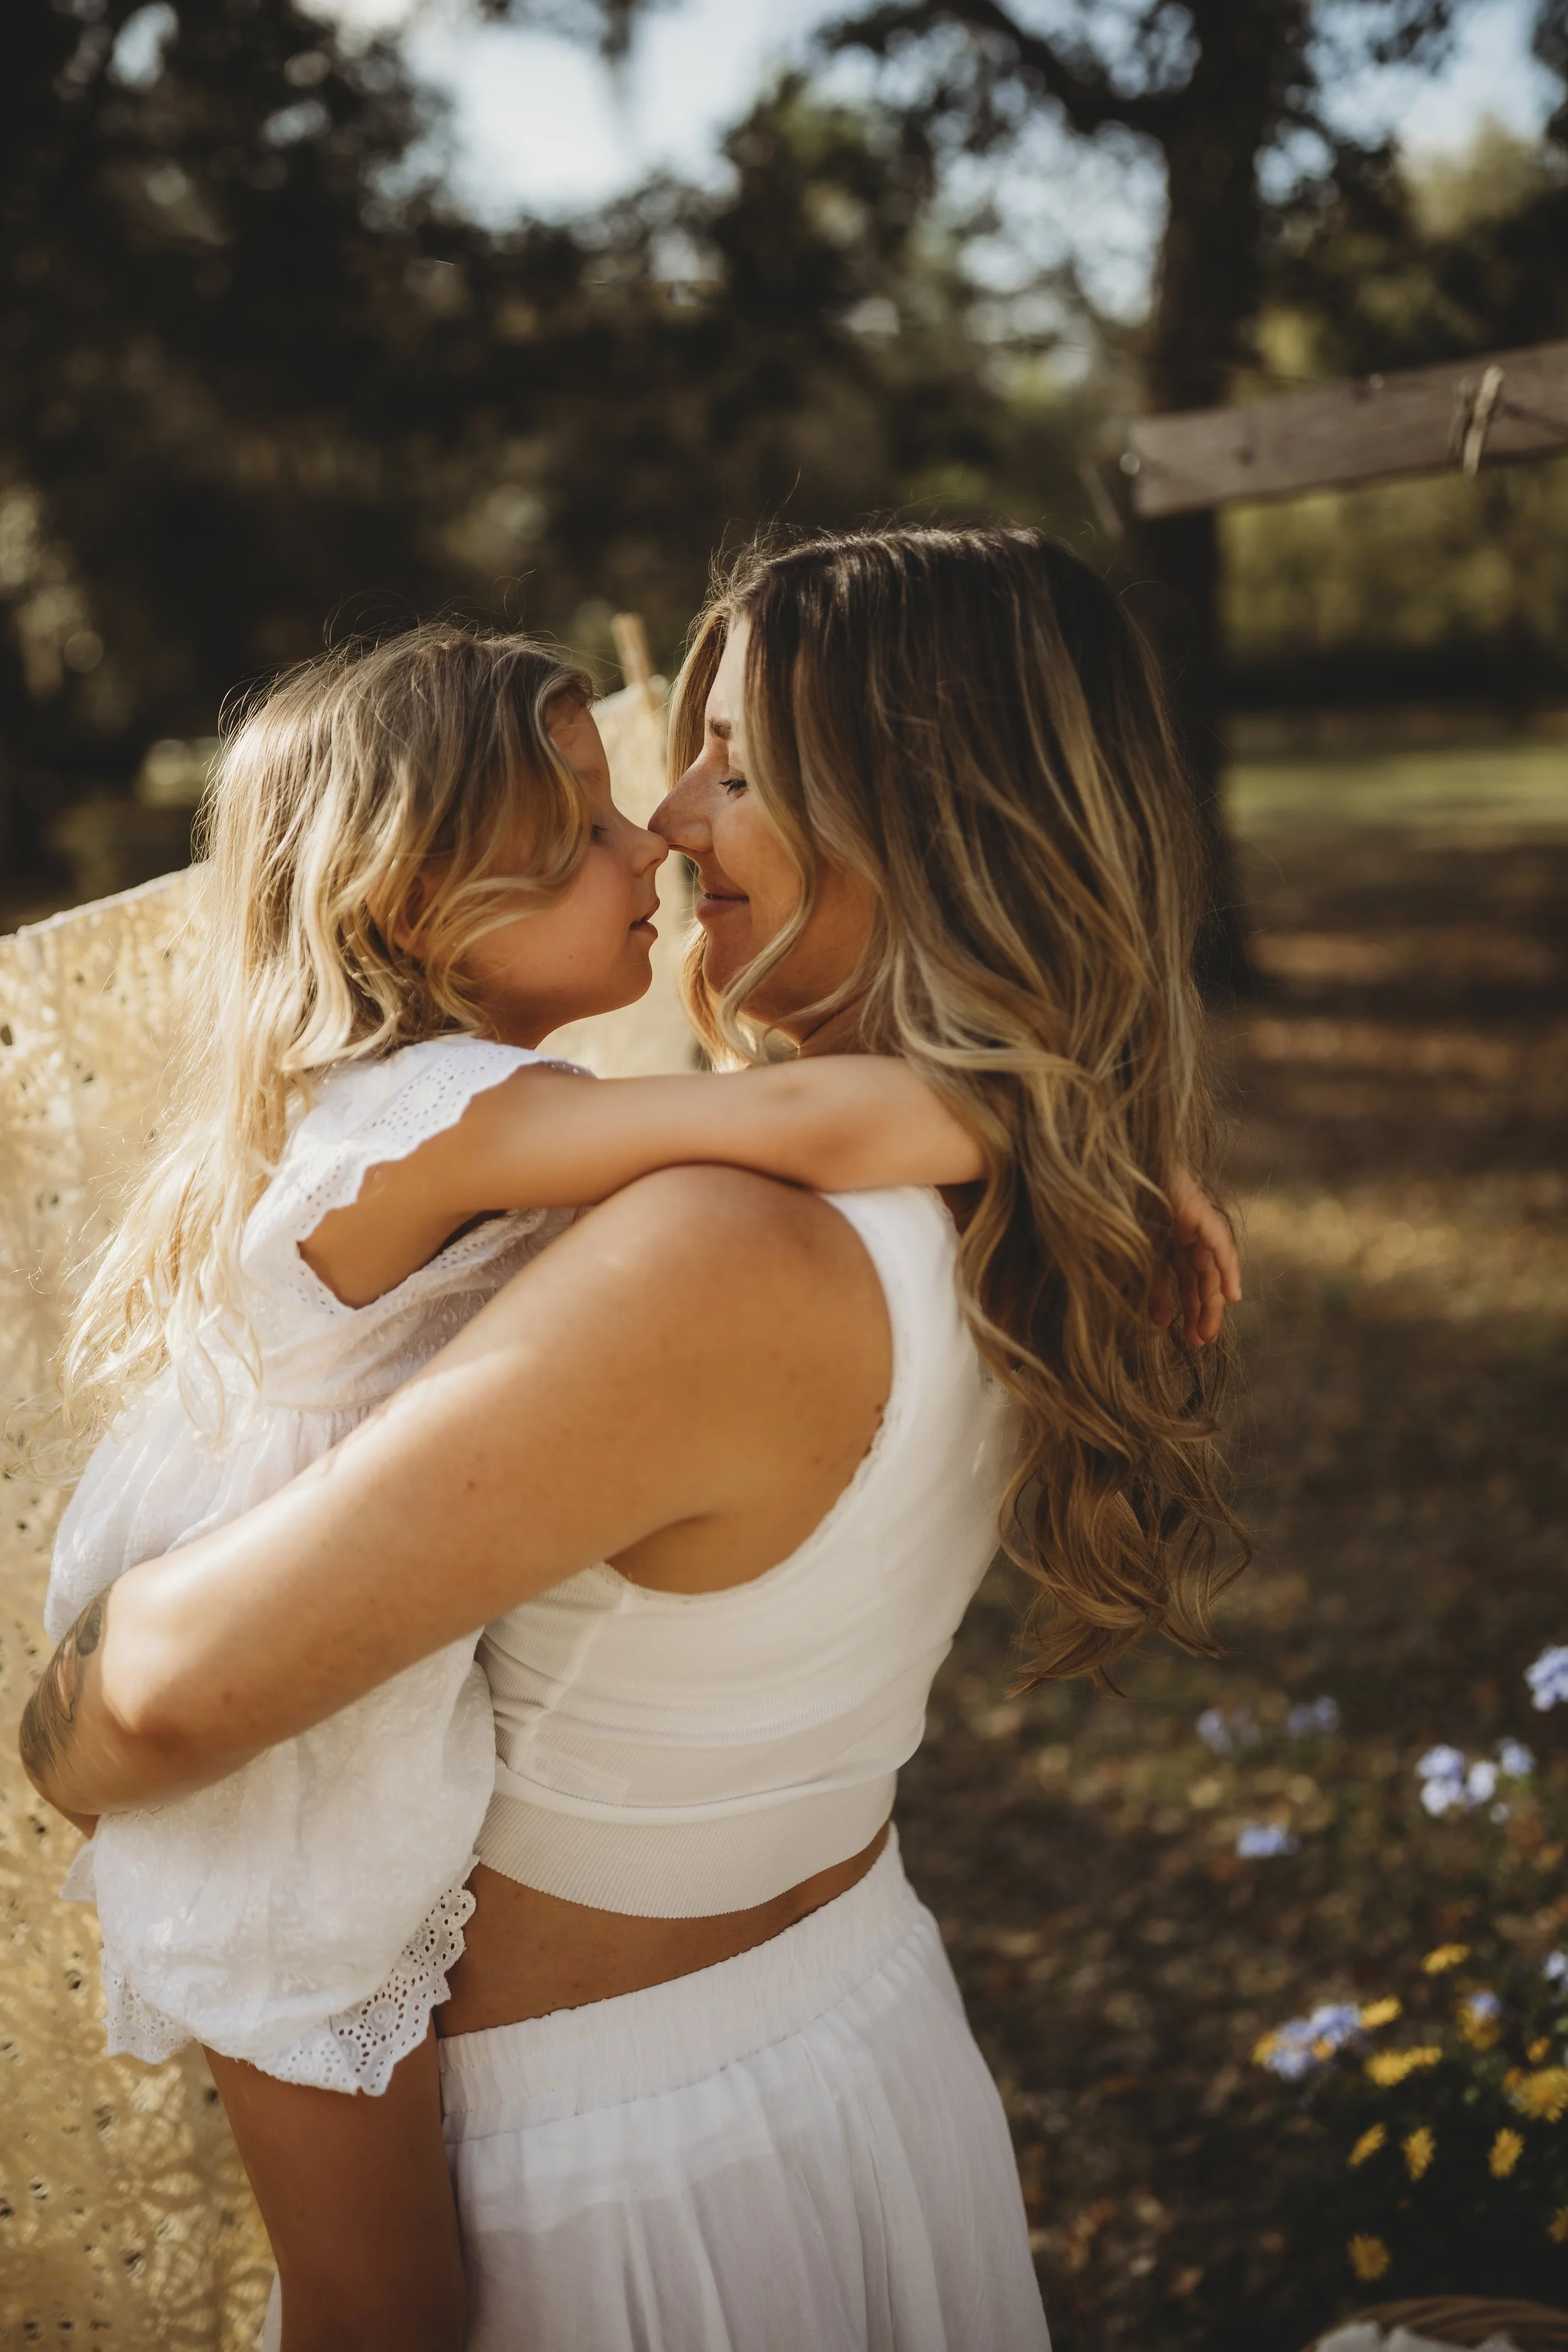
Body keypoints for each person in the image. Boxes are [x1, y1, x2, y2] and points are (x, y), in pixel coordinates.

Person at [24, 528, 1243, 2352]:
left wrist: (63, 1711)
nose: (670, 818)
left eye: (736, 766)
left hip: (608, 2193)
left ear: (920, 807)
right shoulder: (1007, 1214)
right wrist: (1085, 1127)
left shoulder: (727, 1252)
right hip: (845, 2038)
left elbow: (157, 1712)